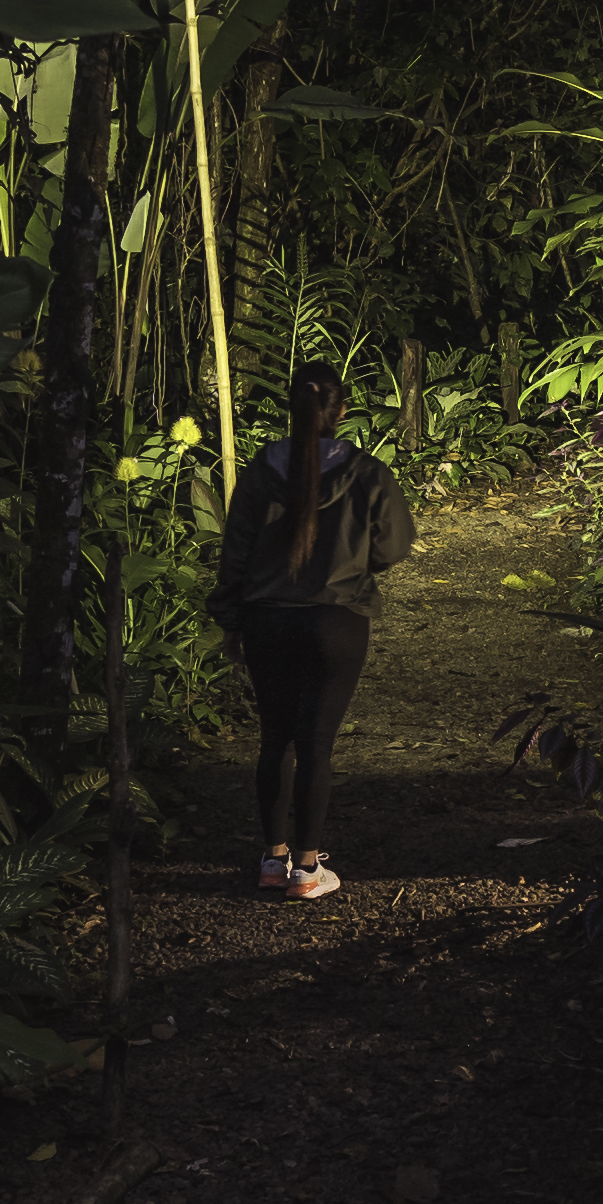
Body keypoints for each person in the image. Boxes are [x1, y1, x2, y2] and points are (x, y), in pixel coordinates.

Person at [208, 356, 416, 901]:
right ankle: (307, 868)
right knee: (316, 744)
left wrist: (232, 620)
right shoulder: (368, 472)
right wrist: (353, 559)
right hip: (336, 620)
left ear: (292, 410)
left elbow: (234, 556)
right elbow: (394, 546)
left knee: (274, 738)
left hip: (266, 620)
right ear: (340, 411)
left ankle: (272, 860)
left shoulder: (259, 473)